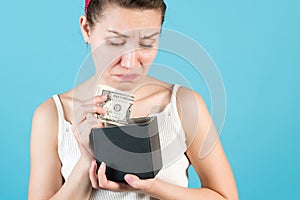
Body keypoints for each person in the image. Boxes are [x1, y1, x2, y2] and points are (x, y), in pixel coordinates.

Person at [28, 0, 238, 199]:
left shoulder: (183, 105)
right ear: (86, 29)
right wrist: (86, 161)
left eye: (146, 43)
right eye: (115, 42)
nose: (130, 63)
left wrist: (153, 187)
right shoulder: (53, 115)